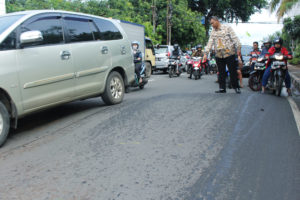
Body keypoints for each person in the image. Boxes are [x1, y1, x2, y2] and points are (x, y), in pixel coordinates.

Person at [203, 16, 241, 94]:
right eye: (211, 24)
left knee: (232, 71)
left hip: (229, 53)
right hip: (219, 54)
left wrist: (238, 48)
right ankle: (222, 88)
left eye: (212, 23)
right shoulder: (213, 31)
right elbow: (210, 42)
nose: (212, 25)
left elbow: (235, 38)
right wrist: (205, 53)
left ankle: (236, 87)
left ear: (217, 21)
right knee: (221, 72)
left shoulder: (227, 28)